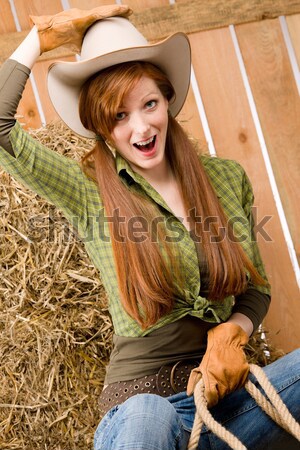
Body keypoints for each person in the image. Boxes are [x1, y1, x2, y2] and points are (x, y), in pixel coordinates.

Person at [0, 6, 299, 450]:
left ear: (167, 99)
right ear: (101, 126)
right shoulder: (88, 193)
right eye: (118, 116)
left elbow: (255, 288)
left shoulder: (225, 178)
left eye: (149, 104)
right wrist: (39, 39)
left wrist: (231, 332)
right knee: (150, 410)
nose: (140, 126)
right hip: (140, 417)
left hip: (222, 407)